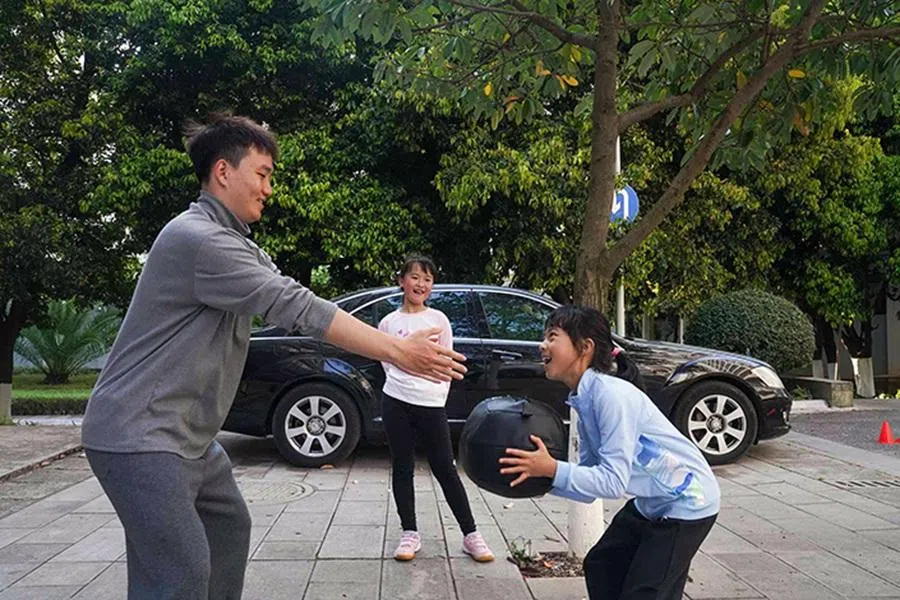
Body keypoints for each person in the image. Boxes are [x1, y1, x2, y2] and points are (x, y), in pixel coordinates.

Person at [80, 114, 467, 600]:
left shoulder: (235, 242)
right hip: (141, 434)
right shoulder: (201, 240)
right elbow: (296, 305)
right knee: (179, 575)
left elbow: (293, 293)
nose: (268, 188)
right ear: (224, 172)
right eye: (262, 174)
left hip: (186, 439)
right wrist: (397, 350)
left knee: (227, 528)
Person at [498, 305, 719, 600]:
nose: (543, 345)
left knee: (644, 591)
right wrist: (539, 479)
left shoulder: (610, 396)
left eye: (552, 336)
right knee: (603, 564)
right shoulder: (584, 397)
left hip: (689, 503)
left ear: (585, 347)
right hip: (654, 501)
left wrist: (552, 469)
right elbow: (592, 483)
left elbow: (612, 482)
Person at [378, 254, 494, 563]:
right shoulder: (389, 322)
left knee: (445, 466)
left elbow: (447, 360)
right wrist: (405, 384)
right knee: (402, 465)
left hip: (430, 403)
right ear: (402, 281)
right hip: (396, 401)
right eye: (415, 277)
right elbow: (387, 362)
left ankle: (471, 535)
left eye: (427, 279)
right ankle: (409, 533)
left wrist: (433, 392)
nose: (421, 283)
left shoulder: (438, 320)